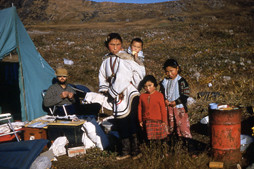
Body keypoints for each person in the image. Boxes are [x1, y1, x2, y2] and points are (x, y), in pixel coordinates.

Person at [86, 33, 144, 160]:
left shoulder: (125, 58)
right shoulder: (106, 60)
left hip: (128, 92)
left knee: (131, 120)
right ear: (107, 45)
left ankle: (136, 149)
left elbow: (124, 77)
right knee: (121, 121)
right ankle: (125, 150)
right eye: (112, 44)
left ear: (121, 45)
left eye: (118, 44)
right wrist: (105, 89)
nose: (115, 47)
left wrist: (113, 91)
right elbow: (102, 76)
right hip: (116, 94)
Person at [160, 59, 192, 139]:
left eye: (171, 71)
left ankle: (186, 142)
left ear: (177, 68)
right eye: (167, 72)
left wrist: (176, 102)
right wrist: (165, 100)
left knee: (182, 126)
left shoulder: (181, 81)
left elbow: (185, 94)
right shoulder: (165, 82)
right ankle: (173, 141)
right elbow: (162, 93)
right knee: (170, 126)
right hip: (168, 108)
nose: (169, 74)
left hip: (179, 108)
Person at [138, 75, 168, 144]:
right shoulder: (142, 96)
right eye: (145, 86)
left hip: (157, 121)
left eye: (150, 85)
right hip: (147, 121)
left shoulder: (159, 95)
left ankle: (159, 152)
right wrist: (140, 120)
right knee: (148, 139)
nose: (148, 88)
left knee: (159, 139)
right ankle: (150, 152)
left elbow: (163, 109)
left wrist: (164, 121)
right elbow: (140, 109)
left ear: (154, 85)